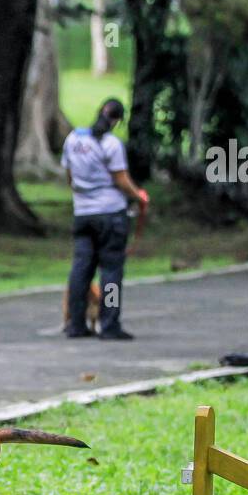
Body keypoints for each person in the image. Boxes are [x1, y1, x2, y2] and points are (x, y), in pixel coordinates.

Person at [61, 98, 149, 340]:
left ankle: (76, 324)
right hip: (110, 214)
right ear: (117, 120)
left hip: (83, 213)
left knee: (80, 270)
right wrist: (138, 195)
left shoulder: (73, 139)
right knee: (111, 272)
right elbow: (121, 179)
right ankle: (109, 325)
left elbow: (69, 176)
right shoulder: (111, 144)